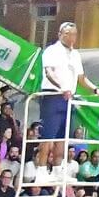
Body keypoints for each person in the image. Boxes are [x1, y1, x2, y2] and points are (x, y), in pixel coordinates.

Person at [37, 22, 92, 171]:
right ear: (60, 34)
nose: (72, 37)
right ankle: (41, 169)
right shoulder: (52, 51)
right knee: (49, 135)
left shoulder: (75, 54)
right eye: (68, 34)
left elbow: (81, 77)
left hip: (69, 98)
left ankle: (56, 169)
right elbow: (49, 72)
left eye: (74, 34)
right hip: (53, 96)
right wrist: (62, 88)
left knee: (63, 136)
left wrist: (96, 90)